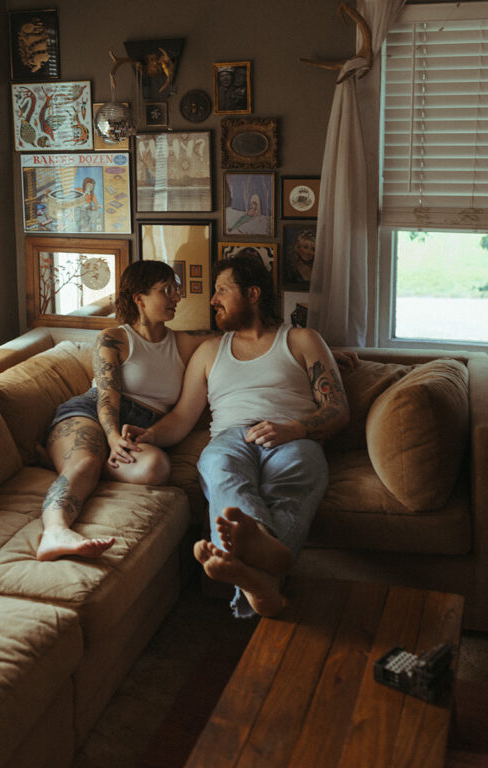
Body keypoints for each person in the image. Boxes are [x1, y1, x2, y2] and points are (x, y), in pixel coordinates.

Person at [122, 254, 349, 619]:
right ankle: (264, 561)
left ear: (253, 293)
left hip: (293, 437)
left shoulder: (302, 340)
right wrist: (146, 434)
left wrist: (294, 429)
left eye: (222, 290)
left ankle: (257, 574)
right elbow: (182, 418)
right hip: (231, 437)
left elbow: (339, 409)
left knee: (294, 475)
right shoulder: (210, 351)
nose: (213, 300)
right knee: (220, 465)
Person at [37, 259, 213, 562]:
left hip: (142, 428)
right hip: (93, 413)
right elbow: (107, 398)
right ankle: (55, 532)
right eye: (167, 289)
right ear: (139, 298)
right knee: (85, 465)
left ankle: (66, 458)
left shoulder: (184, 343)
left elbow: (233, 337)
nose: (176, 297)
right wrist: (112, 437)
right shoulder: (114, 338)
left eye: (177, 290)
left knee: (156, 468)